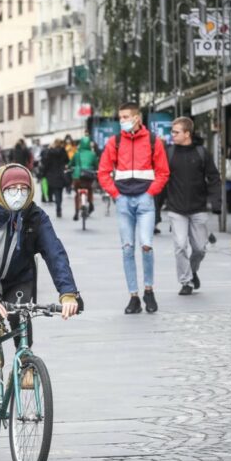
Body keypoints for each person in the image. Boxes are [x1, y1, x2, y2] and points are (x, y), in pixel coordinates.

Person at [0, 164, 81, 452]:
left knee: (22, 315)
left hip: (16, 280)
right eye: (12, 189)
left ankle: (25, 363)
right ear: (1, 189)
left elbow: (55, 253)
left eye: (23, 189)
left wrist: (68, 293)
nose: (17, 194)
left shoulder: (36, 217)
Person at [98, 102, 169, 314]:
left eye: (126, 117)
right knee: (127, 248)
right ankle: (133, 296)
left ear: (137, 118)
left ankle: (149, 290)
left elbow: (163, 172)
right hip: (123, 201)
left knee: (146, 245)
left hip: (145, 200)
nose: (123, 121)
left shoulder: (153, 141)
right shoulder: (115, 142)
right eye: (120, 117)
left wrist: (150, 193)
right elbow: (103, 172)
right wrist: (116, 194)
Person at [166, 117, 222, 295]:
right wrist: (156, 209)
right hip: (176, 209)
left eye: (176, 132)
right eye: (172, 131)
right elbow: (162, 180)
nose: (172, 135)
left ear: (187, 134)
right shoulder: (169, 153)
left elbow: (214, 178)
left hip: (198, 208)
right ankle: (186, 281)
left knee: (199, 248)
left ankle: (192, 270)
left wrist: (216, 202)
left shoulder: (202, 153)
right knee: (180, 246)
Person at [68, 136, 98, 220]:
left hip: (78, 176)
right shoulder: (92, 154)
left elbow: (71, 164)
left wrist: (68, 167)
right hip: (89, 176)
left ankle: (76, 212)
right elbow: (96, 165)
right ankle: (91, 203)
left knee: (77, 193)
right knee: (90, 189)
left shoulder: (77, 154)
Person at [41, 139, 69, 218]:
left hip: (52, 174)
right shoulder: (63, 151)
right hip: (61, 174)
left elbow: (46, 164)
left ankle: (58, 208)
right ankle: (59, 207)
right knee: (60, 192)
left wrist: (43, 174)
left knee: (56, 192)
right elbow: (67, 161)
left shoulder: (50, 152)